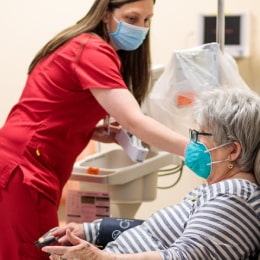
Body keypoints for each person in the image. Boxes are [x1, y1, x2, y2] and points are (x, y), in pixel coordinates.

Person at [0, 0, 189, 259]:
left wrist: (90, 130)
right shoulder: (92, 50)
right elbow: (135, 121)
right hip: (24, 170)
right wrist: (196, 150)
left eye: (147, 20)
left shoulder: (83, 45)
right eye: (132, 18)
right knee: (32, 253)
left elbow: (52, 108)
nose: (141, 28)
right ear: (105, 13)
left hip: (27, 163)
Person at [43, 88, 260, 260]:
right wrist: (91, 231)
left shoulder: (235, 198)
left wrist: (102, 259)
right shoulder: (218, 190)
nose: (192, 143)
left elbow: (185, 257)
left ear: (232, 150)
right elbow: (155, 233)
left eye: (198, 134)